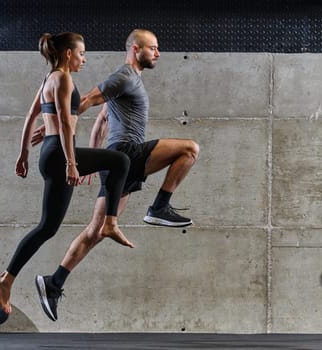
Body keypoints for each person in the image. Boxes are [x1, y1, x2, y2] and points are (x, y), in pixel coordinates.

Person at [32, 29, 199, 322]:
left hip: (119, 161)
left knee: (96, 232)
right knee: (189, 149)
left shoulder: (129, 83)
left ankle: (54, 282)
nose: (158, 53)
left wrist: (93, 157)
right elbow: (87, 100)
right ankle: (160, 206)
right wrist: (53, 125)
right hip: (127, 153)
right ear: (136, 49)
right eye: (153, 48)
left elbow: (102, 119)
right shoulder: (125, 76)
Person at [0, 32, 133, 316]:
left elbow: (32, 116)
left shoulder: (47, 79)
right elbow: (67, 126)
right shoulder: (64, 79)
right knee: (120, 161)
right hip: (59, 153)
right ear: (68, 53)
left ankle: (6, 278)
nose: (84, 59)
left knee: (47, 227)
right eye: (82, 54)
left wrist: (23, 154)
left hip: (49, 152)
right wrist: (71, 162)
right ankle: (109, 222)